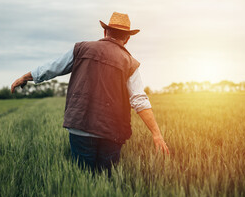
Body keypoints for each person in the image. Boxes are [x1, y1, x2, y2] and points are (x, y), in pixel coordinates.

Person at [11, 12, 169, 176]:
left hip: (81, 126)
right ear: (127, 38)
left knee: (82, 179)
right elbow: (139, 100)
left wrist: (26, 77)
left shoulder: (81, 49)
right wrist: (156, 134)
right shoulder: (130, 62)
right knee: (107, 180)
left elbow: (53, 67)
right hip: (112, 132)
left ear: (105, 32)